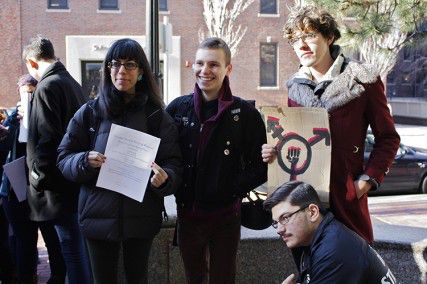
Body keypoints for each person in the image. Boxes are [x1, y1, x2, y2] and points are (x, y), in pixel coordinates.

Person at [261, 5, 400, 243]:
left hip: (346, 201)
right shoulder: (295, 87)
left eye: (310, 36)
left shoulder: (363, 80)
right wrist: (273, 151)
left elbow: (388, 139)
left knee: (352, 270)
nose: (301, 46)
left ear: (329, 36)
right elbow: (296, 141)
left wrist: (364, 183)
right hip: (303, 203)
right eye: (295, 40)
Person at [57, 38, 182, 284]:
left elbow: (174, 164)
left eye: (130, 64)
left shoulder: (157, 117)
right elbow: (63, 158)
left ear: (142, 72)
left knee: (138, 278)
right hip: (97, 217)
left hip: (142, 215)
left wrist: (165, 178)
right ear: (107, 69)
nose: (121, 70)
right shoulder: (90, 113)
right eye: (115, 64)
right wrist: (84, 160)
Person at [166, 37, 267, 283]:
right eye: (200, 63)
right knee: (194, 279)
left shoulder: (245, 114)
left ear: (228, 69)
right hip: (188, 214)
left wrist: (229, 189)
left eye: (213, 64)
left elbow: (260, 167)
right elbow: (163, 154)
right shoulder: (178, 109)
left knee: (224, 278)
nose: (205, 70)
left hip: (226, 217)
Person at [22, 36, 91, 284]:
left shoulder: (48, 86)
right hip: (73, 180)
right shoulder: (71, 82)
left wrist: (36, 177)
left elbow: (47, 139)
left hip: (56, 187)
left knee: (71, 253)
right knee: (77, 252)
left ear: (32, 62)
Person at [0, 74, 66, 284]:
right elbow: (6, 150)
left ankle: (56, 276)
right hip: (15, 189)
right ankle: (26, 277)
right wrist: (13, 123)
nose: (27, 97)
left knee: (51, 238)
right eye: (23, 93)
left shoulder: (47, 112)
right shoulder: (14, 118)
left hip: (42, 189)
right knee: (24, 240)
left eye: (31, 92)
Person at [264, 181, 397, 284]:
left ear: (312, 212)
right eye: (276, 222)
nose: (279, 229)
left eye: (285, 218)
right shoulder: (318, 236)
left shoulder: (334, 249)